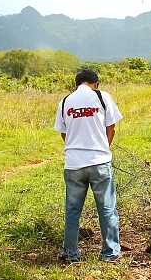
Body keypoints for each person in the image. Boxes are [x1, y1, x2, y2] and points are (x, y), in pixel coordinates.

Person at [53, 69, 123, 263]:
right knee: (107, 207)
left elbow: (63, 133)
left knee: (73, 210)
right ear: (96, 83)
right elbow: (111, 128)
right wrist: (102, 148)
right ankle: (110, 252)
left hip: (73, 165)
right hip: (99, 162)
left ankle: (71, 254)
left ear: (76, 84)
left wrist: (76, 148)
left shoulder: (65, 101)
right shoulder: (102, 97)